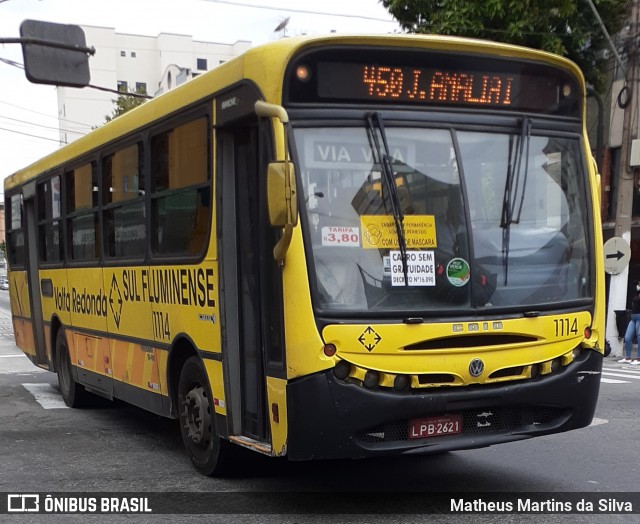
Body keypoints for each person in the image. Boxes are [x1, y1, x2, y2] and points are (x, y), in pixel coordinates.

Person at [620, 282, 640, 364]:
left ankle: (639, 358)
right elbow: (631, 295)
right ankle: (628, 357)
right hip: (633, 317)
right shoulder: (635, 291)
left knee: (639, 337)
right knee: (627, 337)